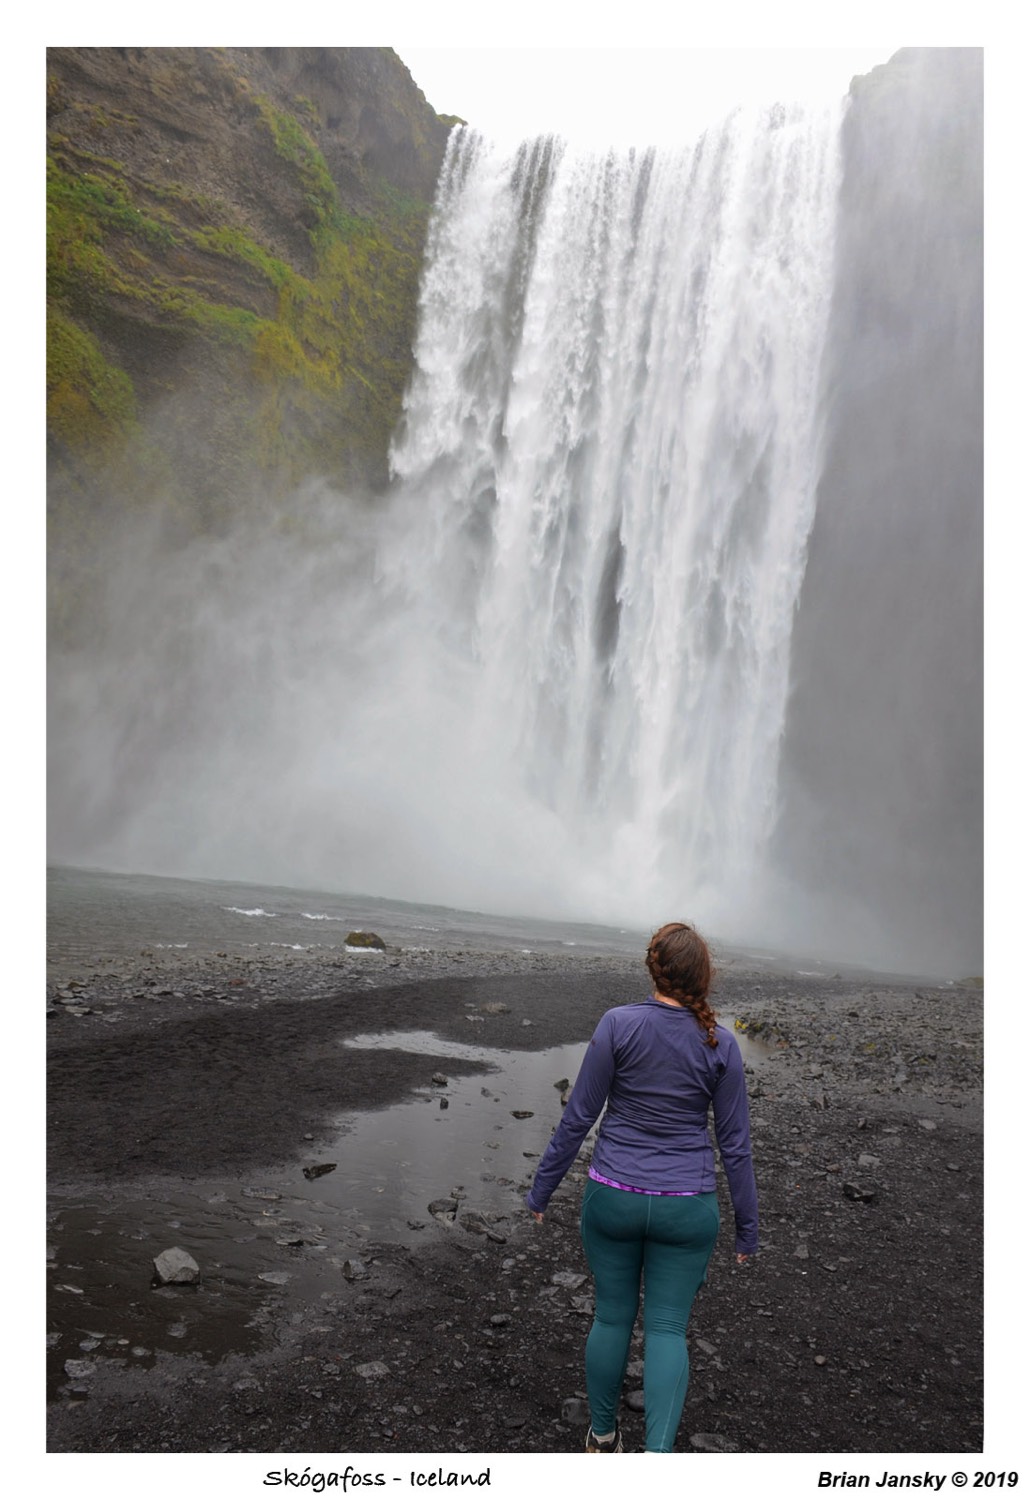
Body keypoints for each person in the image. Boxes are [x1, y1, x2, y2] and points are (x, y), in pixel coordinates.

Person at [525, 920, 758, 1453]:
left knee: (611, 1315)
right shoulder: (720, 1043)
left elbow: (578, 1118)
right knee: (668, 1330)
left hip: (613, 1196)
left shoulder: (617, 1024)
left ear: (653, 967)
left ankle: (603, 1438)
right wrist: (748, 1228)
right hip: (687, 1208)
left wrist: (542, 1190)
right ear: (703, 978)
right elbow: (735, 1145)